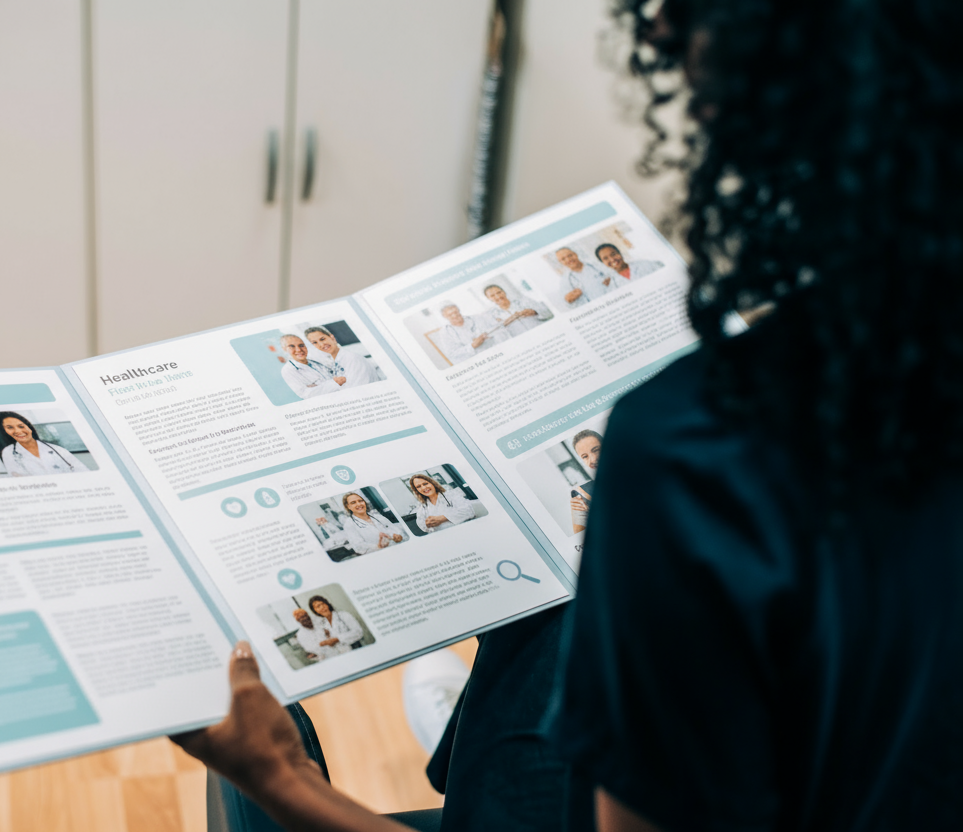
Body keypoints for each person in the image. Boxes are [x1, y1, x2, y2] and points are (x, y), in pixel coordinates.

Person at [173, 1, 963, 830]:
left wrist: (286, 779)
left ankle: (477, 759)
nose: (658, 27)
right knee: (558, 591)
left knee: (254, 795)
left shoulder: (698, 451)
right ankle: (481, 738)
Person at [316, 492, 404, 555]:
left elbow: (395, 529)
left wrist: (397, 536)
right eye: (353, 503)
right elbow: (358, 546)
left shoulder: (377, 517)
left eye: (360, 501)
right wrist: (377, 546)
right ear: (348, 507)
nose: (359, 504)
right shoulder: (349, 524)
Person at [0, 412, 83, 476]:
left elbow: (82, 471)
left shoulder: (57, 449)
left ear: (29, 427)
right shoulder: (9, 452)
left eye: (21, 426)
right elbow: (18, 477)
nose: (18, 431)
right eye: (10, 428)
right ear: (5, 431)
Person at [304, 326, 379, 387]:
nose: (321, 344)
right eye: (315, 342)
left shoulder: (351, 359)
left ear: (332, 338)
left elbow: (359, 388)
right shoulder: (335, 363)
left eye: (322, 339)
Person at [279, 334, 346, 399]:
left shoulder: (315, 362)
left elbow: (337, 376)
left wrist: (317, 387)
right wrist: (334, 383)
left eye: (301, 345)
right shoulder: (288, 370)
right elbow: (306, 394)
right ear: (284, 349)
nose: (299, 350)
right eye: (292, 346)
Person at [408, 473, 477, 534]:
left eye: (425, 483)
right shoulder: (423, 507)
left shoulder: (451, 495)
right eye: (418, 486)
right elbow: (421, 524)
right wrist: (427, 524)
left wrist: (443, 518)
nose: (423, 487)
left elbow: (469, 511)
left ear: (433, 483)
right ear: (417, 490)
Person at [481, 284, 554, 338]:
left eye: (499, 292)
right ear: (488, 298)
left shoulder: (524, 300)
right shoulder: (491, 315)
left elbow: (550, 313)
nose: (498, 296)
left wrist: (535, 312)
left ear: (504, 292)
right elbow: (491, 335)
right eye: (492, 295)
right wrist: (504, 323)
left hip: (543, 333)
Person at [568, 429, 602, 534]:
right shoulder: (582, 492)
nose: (592, 459)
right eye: (585, 456)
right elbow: (580, 536)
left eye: (596, 450)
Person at [595, 243, 664, 282]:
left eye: (613, 254)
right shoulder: (613, 283)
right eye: (605, 258)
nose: (612, 259)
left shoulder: (644, 264)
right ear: (602, 262)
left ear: (620, 253)